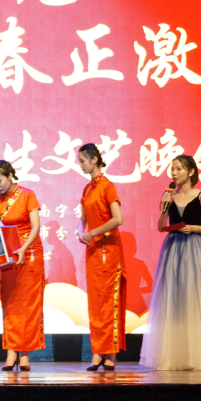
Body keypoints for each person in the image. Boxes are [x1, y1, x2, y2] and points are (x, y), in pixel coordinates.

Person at [140, 155, 201, 370]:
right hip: (173, 249)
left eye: (179, 168)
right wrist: (164, 207)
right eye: (172, 168)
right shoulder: (169, 196)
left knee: (195, 297)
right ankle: (173, 356)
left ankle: (198, 355)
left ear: (190, 172)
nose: (174, 173)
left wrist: (195, 228)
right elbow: (161, 226)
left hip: (194, 248)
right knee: (173, 299)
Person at [0, 160, 43, 371]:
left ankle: (25, 354)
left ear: (10, 175)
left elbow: (35, 226)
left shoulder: (27, 195)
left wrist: (23, 248)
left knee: (29, 304)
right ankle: (11, 352)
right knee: (11, 304)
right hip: (8, 256)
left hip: (30, 253)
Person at [76, 143, 126, 371]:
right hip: (93, 252)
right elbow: (83, 218)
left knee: (108, 303)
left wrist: (93, 232)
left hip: (109, 251)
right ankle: (97, 352)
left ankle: (110, 354)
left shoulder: (107, 186)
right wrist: (80, 231)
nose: (81, 165)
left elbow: (118, 218)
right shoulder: (87, 189)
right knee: (95, 304)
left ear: (94, 159)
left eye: (83, 161)